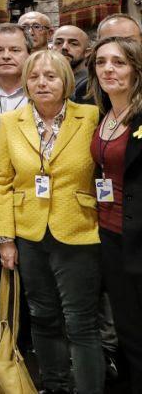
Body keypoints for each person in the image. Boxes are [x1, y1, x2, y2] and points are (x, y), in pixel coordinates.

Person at [0, 49, 103, 394]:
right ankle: (55, 386)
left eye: (51, 76)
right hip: (28, 232)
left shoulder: (91, 116)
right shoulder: (12, 122)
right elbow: (2, 181)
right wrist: (5, 238)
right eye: (35, 76)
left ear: (66, 81)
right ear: (26, 82)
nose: (42, 83)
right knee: (43, 316)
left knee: (80, 322)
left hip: (79, 229)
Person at [87, 36, 142, 391]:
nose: (108, 69)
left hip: (139, 236)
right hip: (109, 232)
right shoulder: (101, 112)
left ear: (137, 71)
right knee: (128, 329)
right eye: (102, 61)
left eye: (119, 62)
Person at [54, 25, 92, 97]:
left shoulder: (89, 84)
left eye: (73, 44)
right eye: (59, 43)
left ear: (87, 52)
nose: (64, 47)